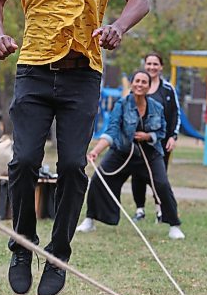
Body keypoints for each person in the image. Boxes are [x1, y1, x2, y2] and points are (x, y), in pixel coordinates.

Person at [0, 0, 149, 295]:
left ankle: (58, 254)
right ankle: (22, 245)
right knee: (23, 162)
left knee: (73, 165)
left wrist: (118, 27)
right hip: (35, 69)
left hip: (82, 74)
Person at [76, 70, 185, 240]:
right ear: (132, 84)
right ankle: (90, 219)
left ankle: (174, 225)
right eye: (137, 81)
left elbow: (162, 131)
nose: (140, 85)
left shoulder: (157, 107)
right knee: (99, 179)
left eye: (144, 82)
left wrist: (148, 136)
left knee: (162, 184)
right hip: (122, 151)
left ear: (149, 87)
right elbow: (111, 130)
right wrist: (96, 151)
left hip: (150, 154)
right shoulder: (122, 104)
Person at [131, 52, 181, 223]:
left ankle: (160, 209)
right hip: (138, 141)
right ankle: (140, 209)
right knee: (137, 175)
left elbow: (175, 114)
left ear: (161, 67)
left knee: (159, 178)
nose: (152, 67)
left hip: (160, 142)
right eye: (149, 64)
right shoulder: (137, 86)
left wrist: (173, 136)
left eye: (155, 64)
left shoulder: (168, 89)